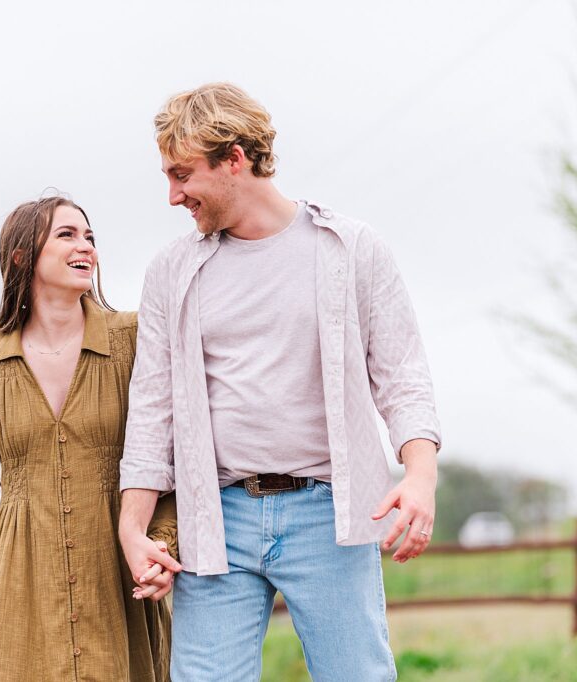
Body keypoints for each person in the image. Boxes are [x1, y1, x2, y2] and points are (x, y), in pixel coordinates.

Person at [117, 83, 441, 681]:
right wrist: (132, 527)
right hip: (216, 518)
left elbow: (403, 378)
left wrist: (420, 476)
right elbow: (152, 408)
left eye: (181, 174)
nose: (172, 195)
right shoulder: (171, 271)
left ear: (234, 158)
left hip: (330, 515)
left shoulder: (351, 250)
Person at [0, 195, 178, 681]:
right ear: (22, 256)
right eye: (66, 235)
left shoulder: (133, 338)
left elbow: (169, 452)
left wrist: (161, 542)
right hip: (12, 579)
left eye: (89, 236)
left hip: (113, 575)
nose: (85, 246)